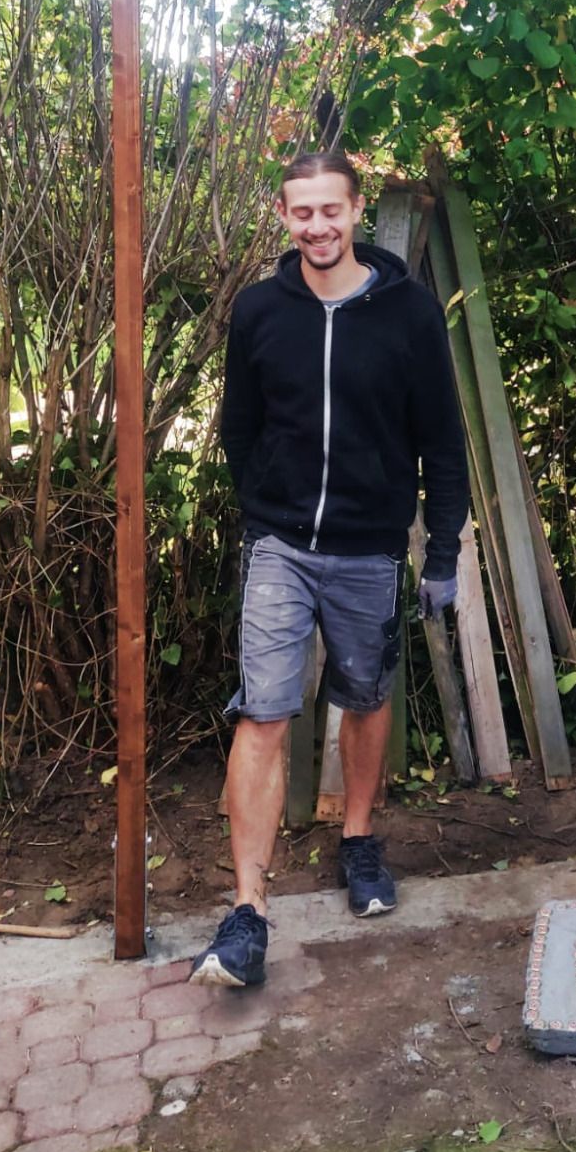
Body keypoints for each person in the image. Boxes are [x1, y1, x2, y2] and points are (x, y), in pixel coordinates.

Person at [190, 152, 469, 988]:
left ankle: (358, 840)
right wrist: (263, 506)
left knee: (366, 697)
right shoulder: (259, 311)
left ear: (355, 212)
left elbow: (442, 442)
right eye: (302, 212)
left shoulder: (409, 314)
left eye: (331, 211)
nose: (317, 227)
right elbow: (240, 426)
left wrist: (442, 552)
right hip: (280, 546)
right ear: (283, 216)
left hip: (369, 548)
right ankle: (247, 912)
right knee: (263, 713)